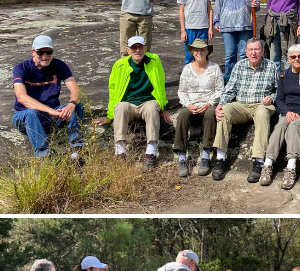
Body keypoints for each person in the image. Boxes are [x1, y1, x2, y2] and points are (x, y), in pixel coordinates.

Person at [99, 36, 171, 169]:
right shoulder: (119, 65)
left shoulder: (154, 60)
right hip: (129, 104)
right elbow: (113, 91)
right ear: (128, 50)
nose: (137, 50)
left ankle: (151, 152)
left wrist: (163, 107)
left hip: (147, 102)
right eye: (134, 47)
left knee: (152, 107)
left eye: (140, 47)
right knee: (120, 107)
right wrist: (110, 116)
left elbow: (160, 84)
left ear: (145, 48)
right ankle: (120, 151)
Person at [212, 38, 278, 181]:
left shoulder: (271, 66)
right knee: (225, 112)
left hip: (261, 105)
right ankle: (220, 158)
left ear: (262, 51)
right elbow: (230, 89)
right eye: (250, 50)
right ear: (246, 52)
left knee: (261, 113)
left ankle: (258, 162)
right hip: (241, 105)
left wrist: (271, 98)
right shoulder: (239, 65)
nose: (253, 53)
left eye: (256, 49)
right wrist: (220, 104)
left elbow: (278, 90)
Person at [12, 35, 85, 159]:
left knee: (77, 107)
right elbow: (21, 97)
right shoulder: (21, 68)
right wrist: (50, 110)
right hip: (25, 116)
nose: (45, 56)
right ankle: (44, 155)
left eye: (49, 52)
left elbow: (75, 89)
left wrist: (72, 104)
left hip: (52, 115)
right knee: (31, 113)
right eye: (40, 52)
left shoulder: (59, 65)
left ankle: (77, 149)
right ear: (32, 52)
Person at [261, 43, 300, 190]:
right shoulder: (283, 75)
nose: (297, 59)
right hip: (288, 113)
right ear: (288, 59)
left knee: (294, 126)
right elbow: (280, 99)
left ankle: (291, 166)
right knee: (280, 125)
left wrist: (299, 114)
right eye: (293, 56)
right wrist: (287, 112)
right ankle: (268, 163)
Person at [174, 39, 223, 177]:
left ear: (207, 51)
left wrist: (209, 103)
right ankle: (182, 157)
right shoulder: (187, 69)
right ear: (192, 52)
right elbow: (181, 91)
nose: (199, 52)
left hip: (208, 104)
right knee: (182, 116)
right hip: (191, 104)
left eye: (202, 49)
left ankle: (206, 155)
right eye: (196, 50)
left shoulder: (214, 68)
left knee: (210, 114)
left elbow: (220, 90)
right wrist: (188, 104)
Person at [213, 0, 260, 84]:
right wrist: (216, 20)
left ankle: (245, 83)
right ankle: (230, 83)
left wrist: (256, 3)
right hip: (227, 22)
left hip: (245, 21)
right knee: (230, 56)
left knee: (244, 55)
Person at [176, 0, 215, 64]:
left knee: (202, 54)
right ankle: (189, 76)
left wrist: (210, 27)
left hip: (203, 27)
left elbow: (210, 9)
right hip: (189, 28)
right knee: (190, 54)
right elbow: (181, 11)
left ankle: (202, 74)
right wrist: (183, 30)